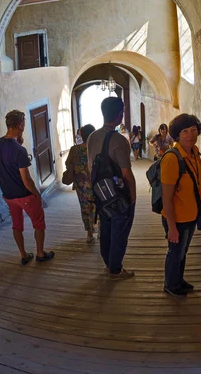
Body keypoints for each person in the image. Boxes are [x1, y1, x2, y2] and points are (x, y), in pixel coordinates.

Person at [0, 110, 55, 265]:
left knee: (17, 224)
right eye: (24, 124)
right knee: (38, 223)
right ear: (20, 125)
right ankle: (40, 253)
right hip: (24, 195)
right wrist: (37, 194)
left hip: (8, 195)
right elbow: (26, 180)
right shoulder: (20, 150)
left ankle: (24, 255)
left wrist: (17, 141)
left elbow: (5, 160)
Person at [87, 97, 137, 280]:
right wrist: (132, 197)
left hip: (100, 193)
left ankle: (108, 265)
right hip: (118, 195)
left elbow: (91, 167)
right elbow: (126, 173)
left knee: (106, 229)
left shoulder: (92, 136)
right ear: (120, 115)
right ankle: (115, 270)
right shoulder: (119, 140)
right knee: (120, 232)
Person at [161, 113, 201, 297]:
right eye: (185, 131)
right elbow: (166, 197)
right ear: (177, 135)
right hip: (177, 218)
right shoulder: (173, 158)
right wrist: (171, 227)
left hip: (190, 214)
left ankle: (178, 280)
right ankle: (170, 285)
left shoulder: (194, 154)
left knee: (182, 251)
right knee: (175, 252)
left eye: (193, 130)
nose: (190, 134)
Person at [65, 123, 96, 243]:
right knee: (98, 206)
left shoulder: (74, 149)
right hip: (96, 183)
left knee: (85, 207)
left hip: (81, 184)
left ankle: (89, 233)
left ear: (81, 135)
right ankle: (101, 229)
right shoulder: (96, 149)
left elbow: (68, 164)